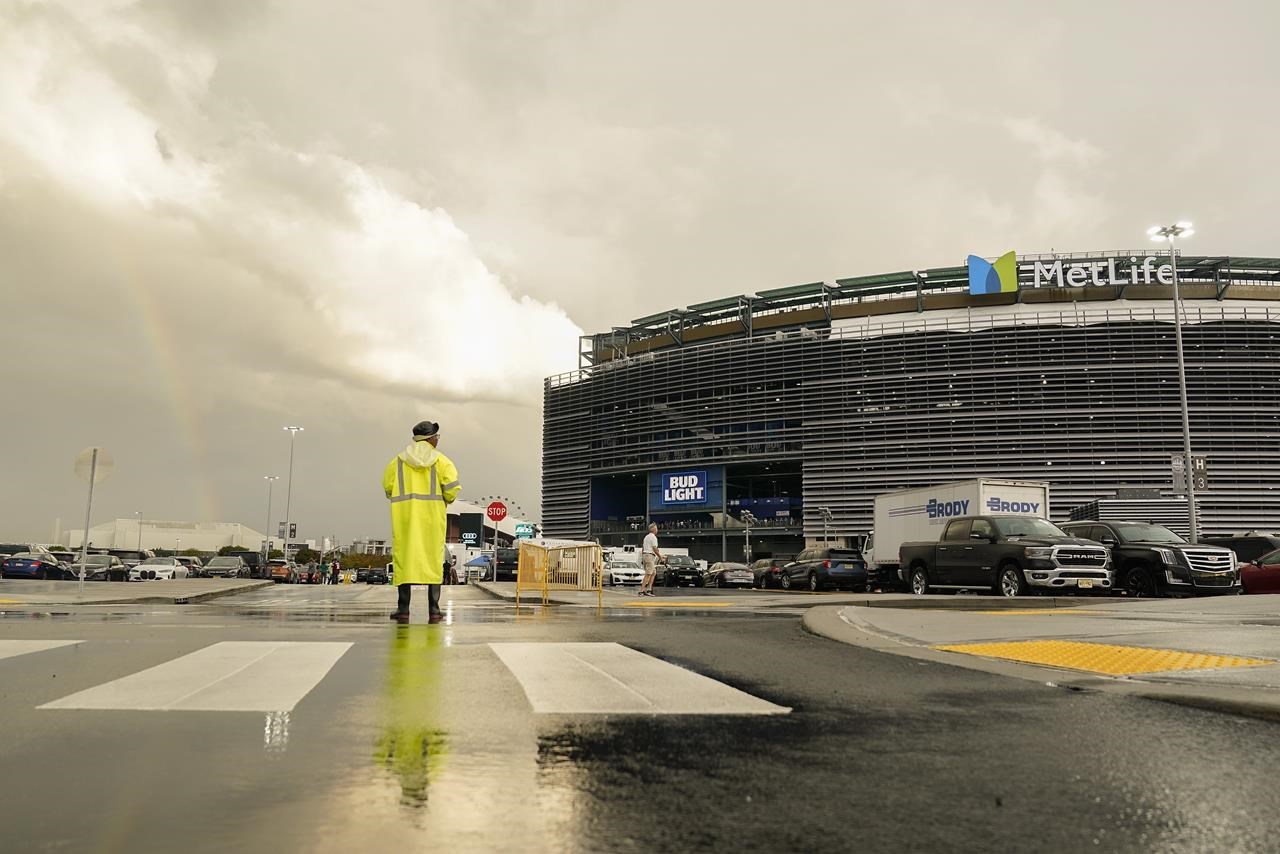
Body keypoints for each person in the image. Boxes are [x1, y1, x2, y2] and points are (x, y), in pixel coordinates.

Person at [383, 420, 461, 623]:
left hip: (405, 520)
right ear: (431, 438)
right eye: (437, 436)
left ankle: (403, 610)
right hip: (432, 520)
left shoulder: (397, 462)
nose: (438, 439)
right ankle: (434, 611)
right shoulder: (443, 462)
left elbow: (388, 488)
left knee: (404, 560)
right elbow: (452, 490)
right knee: (433, 561)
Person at [638, 522, 663, 596]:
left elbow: (643, 548)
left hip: (645, 555)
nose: (657, 530)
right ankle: (642, 591)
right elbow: (655, 548)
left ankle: (649, 589)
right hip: (649, 555)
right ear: (653, 529)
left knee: (653, 572)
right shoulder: (653, 537)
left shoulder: (646, 537)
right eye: (656, 528)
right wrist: (660, 557)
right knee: (648, 574)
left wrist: (643, 557)